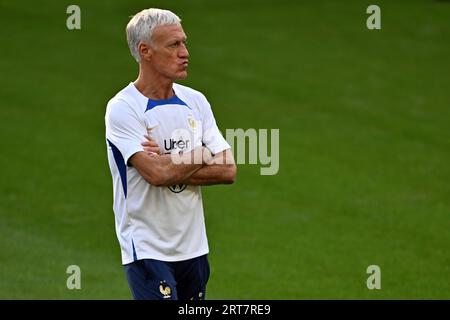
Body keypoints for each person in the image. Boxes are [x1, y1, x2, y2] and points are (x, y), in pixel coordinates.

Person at [104, 8, 236, 300]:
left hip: (194, 248)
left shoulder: (196, 101)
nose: (185, 52)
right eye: (174, 45)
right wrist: (203, 153)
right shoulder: (123, 108)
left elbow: (228, 169)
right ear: (145, 51)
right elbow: (156, 174)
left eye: (184, 43)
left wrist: (172, 158)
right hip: (147, 248)